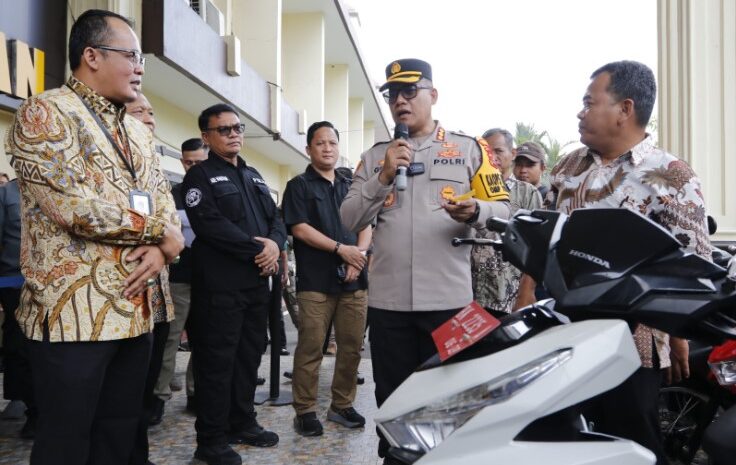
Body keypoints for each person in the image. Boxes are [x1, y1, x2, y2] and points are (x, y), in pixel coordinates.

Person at [4, 9, 183, 465]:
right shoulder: (45, 111)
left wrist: (164, 250)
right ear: (91, 56)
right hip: (73, 315)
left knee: (120, 439)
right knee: (66, 442)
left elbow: (162, 199)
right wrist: (162, 234)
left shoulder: (137, 131)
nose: (140, 67)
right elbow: (72, 207)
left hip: (137, 310)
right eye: (132, 55)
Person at [340, 58, 511, 464]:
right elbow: (348, 219)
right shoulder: (376, 156)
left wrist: (477, 212)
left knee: (450, 402)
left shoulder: (470, 149)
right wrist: (382, 177)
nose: (400, 101)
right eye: (393, 94)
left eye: (409, 91)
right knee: (395, 399)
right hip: (389, 305)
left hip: (449, 304)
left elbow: (504, 209)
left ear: (432, 96)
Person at [545, 60, 707, 465]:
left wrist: (677, 335)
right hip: (562, 334)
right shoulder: (567, 167)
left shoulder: (670, 174)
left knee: (631, 445)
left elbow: (693, 266)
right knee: (566, 441)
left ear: (625, 109)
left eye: (589, 102)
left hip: (633, 344)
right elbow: (542, 240)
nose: (580, 112)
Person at [182, 103, 286, 465]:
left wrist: (274, 244)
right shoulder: (199, 177)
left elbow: (277, 219)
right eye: (224, 129)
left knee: (247, 358)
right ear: (207, 136)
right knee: (217, 362)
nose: (233, 134)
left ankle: (242, 421)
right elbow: (209, 225)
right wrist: (259, 249)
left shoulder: (255, 175)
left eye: (237, 127)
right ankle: (210, 440)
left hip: (257, 284)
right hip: (220, 287)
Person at [283, 121, 371, 437]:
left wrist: (358, 257)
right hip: (316, 283)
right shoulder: (299, 186)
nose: (327, 148)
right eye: (320, 143)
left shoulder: (351, 182)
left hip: (353, 280)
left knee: (351, 347)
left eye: (332, 142)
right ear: (309, 149)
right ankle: (305, 411)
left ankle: (342, 405)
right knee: (311, 348)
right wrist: (341, 250)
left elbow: (366, 220)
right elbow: (300, 228)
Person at [152, 137, 207, 421]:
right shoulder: (172, 194)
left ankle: (196, 393)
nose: (193, 166)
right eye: (188, 162)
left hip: (211, 277)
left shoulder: (216, 190)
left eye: (199, 161)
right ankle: (158, 397)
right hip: (178, 277)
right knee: (170, 339)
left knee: (204, 339)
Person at [472, 129, 541, 314]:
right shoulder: (468, 189)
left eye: (498, 150)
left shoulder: (527, 193)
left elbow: (536, 248)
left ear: (513, 154)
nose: (491, 156)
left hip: (506, 298)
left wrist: (525, 294)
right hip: (467, 296)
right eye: (485, 151)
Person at [0, 178, 36, 439]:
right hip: (14, 280)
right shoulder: (7, 194)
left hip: (55, 281)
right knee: (20, 344)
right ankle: (30, 408)